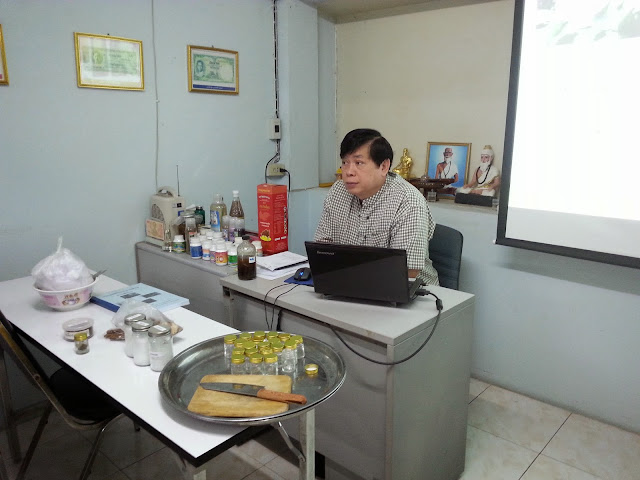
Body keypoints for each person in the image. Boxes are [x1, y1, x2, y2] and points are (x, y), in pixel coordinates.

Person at [315, 128, 439, 286]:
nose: (348, 172)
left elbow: (407, 271)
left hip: (412, 291)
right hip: (350, 284)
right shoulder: (338, 191)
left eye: (359, 163)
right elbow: (322, 247)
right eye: (345, 162)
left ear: (383, 167)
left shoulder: (408, 201)